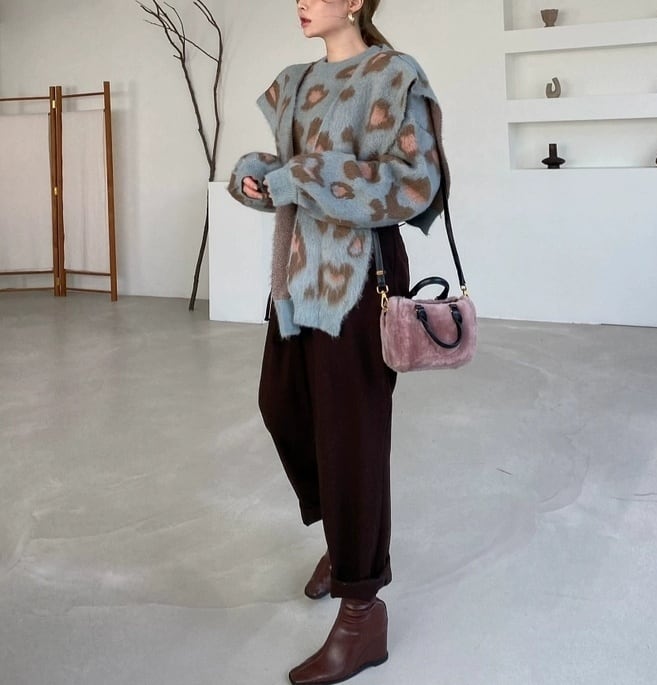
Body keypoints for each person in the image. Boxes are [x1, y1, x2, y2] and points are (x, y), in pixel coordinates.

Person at [228, 1, 449, 682]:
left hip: (360, 278)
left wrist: (304, 177)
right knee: (281, 406)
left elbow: (415, 183)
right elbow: (289, 172)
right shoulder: (296, 80)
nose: (302, 1)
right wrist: (258, 174)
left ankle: (362, 612)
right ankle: (342, 534)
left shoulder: (392, 75)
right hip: (298, 275)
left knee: (351, 436)